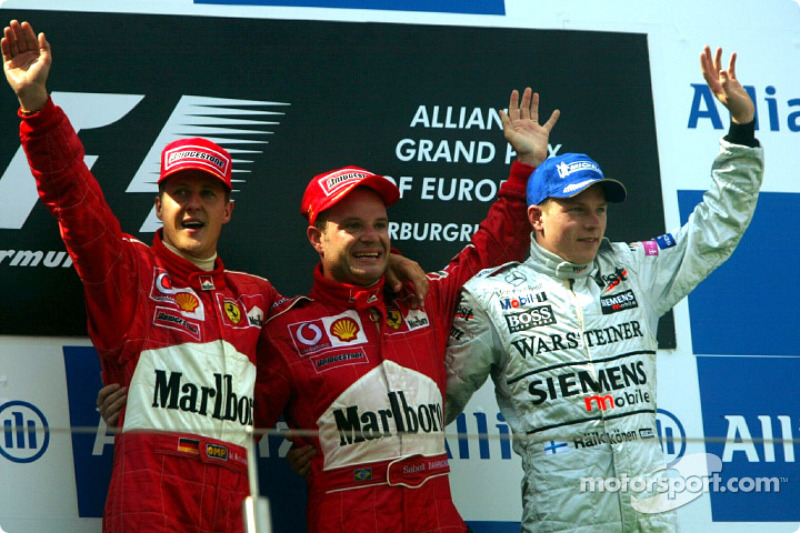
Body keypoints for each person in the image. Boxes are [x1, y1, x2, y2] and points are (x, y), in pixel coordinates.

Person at [2, 19, 427, 533]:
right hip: (151, 490)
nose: (193, 205)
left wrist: (392, 261)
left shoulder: (260, 296)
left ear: (229, 210)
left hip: (235, 495)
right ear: (159, 207)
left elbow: (327, 334)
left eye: (208, 194)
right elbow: (74, 199)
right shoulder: (129, 271)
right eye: (180, 193)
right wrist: (37, 109)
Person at [443, 46, 764, 532]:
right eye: (576, 210)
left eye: (600, 209)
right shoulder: (492, 297)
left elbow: (715, 228)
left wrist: (741, 132)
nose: (593, 223)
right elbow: (435, 401)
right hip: (564, 523)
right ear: (537, 217)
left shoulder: (636, 268)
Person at [253, 86, 560, 532]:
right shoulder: (287, 329)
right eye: (352, 226)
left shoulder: (422, 295)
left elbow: (489, 252)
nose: (371, 237)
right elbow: (230, 429)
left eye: (380, 225)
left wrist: (527, 166)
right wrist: (140, 401)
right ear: (317, 240)